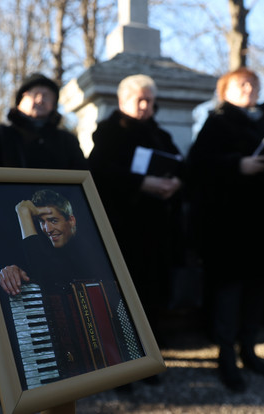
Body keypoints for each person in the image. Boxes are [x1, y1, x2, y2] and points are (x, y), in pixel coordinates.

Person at [186, 67, 264, 392]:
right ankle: (226, 354)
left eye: (253, 83)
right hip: (230, 225)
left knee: (257, 290)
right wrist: (236, 165)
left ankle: (249, 348)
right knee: (229, 291)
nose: (249, 87)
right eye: (241, 83)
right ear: (225, 90)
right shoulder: (217, 122)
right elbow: (198, 167)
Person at [0, 190, 140, 386]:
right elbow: (41, 271)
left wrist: (23, 213)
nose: (47, 229)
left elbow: (48, 275)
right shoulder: (49, 247)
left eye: (53, 220)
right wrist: (11, 270)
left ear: (71, 220)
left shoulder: (86, 247)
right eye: (41, 222)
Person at [88, 74, 183, 348]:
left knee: (153, 292)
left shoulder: (160, 134)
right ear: (123, 101)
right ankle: (123, 351)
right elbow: (100, 172)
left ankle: (149, 346)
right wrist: (142, 183)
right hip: (124, 226)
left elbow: (180, 165)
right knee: (124, 292)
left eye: (150, 101)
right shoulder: (110, 132)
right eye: (140, 100)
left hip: (158, 227)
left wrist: (175, 183)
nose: (145, 106)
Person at [0, 73, 88, 169]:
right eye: (35, 94)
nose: (40, 100)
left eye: (46, 96)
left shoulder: (67, 142)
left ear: (54, 104)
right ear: (20, 101)